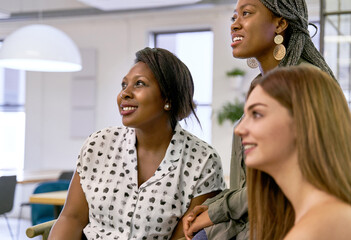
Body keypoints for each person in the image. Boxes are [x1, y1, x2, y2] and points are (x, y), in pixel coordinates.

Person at [183, 0, 335, 239]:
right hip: (250, 221)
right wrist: (215, 205)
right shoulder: (260, 86)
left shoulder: (304, 83)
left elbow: (291, 178)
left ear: (280, 23)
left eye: (246, 13)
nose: (235, 25)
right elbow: (247, 183)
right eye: (234, 17)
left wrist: (218, 210)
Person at [48, 47, 226, 240]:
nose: (124, 93)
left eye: (139, 84)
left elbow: (186, 237)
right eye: (124, 85)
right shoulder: (98, 144)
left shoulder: (203, 161)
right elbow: (71, 218)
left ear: (168, 98)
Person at [235, 65, 351, 240]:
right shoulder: (318, 216)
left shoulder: (315, 228)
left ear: (303, 119)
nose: (239, 129)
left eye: (257, 114)